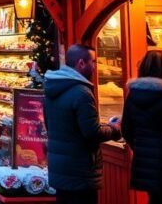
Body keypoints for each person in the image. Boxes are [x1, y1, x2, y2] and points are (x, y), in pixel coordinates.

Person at [44, 44, 121, 204]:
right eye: (93, 61)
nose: (95, 66)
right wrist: (115, 129)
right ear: (81, 63)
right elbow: (92, 133)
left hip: (61, 171)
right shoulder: (81, 92)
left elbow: (54, 126)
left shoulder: (53, 88)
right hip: (80, 171)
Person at [121, 51, 162, 204]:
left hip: (144, 162)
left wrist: (141, 148)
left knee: (155, 199)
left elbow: (126, 129)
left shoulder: (133, 94)